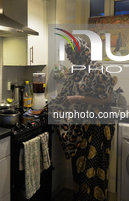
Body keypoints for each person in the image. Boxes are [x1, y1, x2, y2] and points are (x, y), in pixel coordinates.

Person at [49, 36, 117, 201]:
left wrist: (79, 98)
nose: (69, 57)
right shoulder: (75, 71)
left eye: (71, 53)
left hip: (97, 126)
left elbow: (107, 98)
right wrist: (46, 108)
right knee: (79, 169)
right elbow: (64, 96)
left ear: (81, 52)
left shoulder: (96, 68)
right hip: (80, 127)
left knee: (93, 169)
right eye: (68, 53)